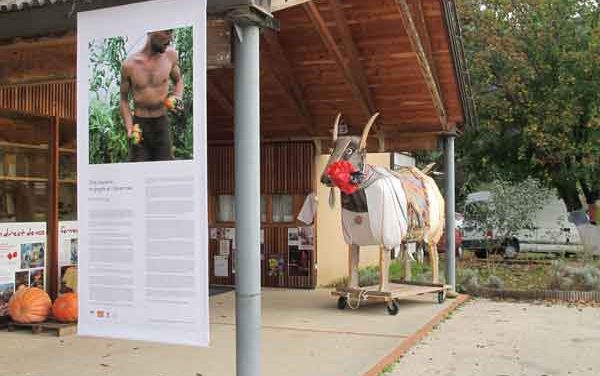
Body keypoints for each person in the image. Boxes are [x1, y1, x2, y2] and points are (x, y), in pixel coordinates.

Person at [120, 29, 184, 162]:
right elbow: (124, 99)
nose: (171, 38)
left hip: (161, 123)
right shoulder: (129, 65)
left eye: (172, 32)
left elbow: (178, 81)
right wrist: (129, 128)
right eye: (167, 33)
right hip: (139, 126)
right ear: (151, 32)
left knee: (165, 170)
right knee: (137, 171)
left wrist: (178, 98)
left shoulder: (170, 56)